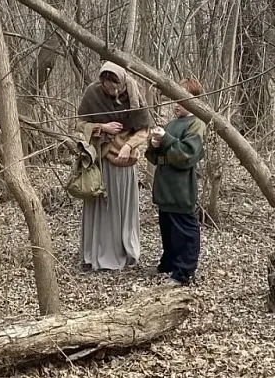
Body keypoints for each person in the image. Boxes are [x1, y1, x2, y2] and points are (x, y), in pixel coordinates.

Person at [76, 61, 151, 270]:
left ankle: (125, 250)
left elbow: (144, 129)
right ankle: (98, 254)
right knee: (103, 208)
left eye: (115, 85)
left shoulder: (134, 92)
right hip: (103, 160)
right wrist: (102, 126)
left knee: (122, 209)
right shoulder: (93, 93)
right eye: (107, 86)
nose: (112, 90)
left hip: (126, 163)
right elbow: (79, 124)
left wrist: (128, 146)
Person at [145, 77, 207, 286]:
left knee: (184, 231)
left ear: (193, 101)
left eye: (181, 99)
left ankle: (184, 272)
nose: (176, 104)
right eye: (175, 98)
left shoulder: (196, 124)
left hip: (181, 188)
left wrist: (167, 139)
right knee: (168, 229)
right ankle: (169, 263)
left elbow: (186, 155)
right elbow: (156, 156)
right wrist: (154, 145)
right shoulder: (172, 124)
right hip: (165, 187)